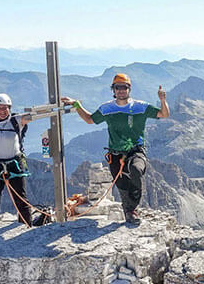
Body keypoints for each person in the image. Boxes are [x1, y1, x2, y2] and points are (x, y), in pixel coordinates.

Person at [0, 70, 72, 225]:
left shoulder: (17, 121)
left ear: (10, 107)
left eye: (5, 107)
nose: (3, 111)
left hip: (14, 165)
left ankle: (25, 227)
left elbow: (37, 114)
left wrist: (62, 107)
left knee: (21, 200)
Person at [69, 73, 169, 225]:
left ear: (129, 89)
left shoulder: (140, 107)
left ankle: (133, 209)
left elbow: (164, 114)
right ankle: (128, 211)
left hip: (136, 150)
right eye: (118, 87)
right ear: (113, 90)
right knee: (122, 185)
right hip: (115, 153)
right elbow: (90, 119)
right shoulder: (107, 108)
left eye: (124, 87)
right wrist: (77, 105)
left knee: (136, 170)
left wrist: (162, 100)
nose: (121, 90)